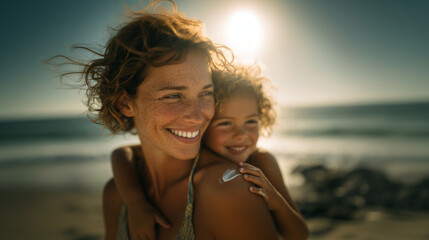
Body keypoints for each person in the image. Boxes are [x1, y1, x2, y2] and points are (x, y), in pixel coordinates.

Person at [55, 0, 284, 239]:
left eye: (205, 94)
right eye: (173, 96)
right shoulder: (116, 194)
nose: (197, 116)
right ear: (125, 103)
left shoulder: (227, 190)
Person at [112, 66, 309, 240]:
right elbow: (123, 153)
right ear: (203, 127)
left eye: (251, 121)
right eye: (225, 123)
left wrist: (277, 203)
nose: (241, 135)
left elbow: (299, 234)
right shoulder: (195, 153)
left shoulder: (262, 161)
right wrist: (135, 202)